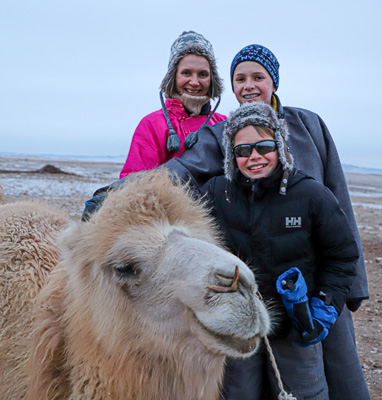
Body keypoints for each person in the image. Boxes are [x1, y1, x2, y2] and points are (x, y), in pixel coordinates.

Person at [82, 44, 370, 400]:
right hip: (252, 271)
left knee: (317, 375)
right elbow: (180, 170)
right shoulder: (226, 132)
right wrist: (114, 194)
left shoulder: (309, 125)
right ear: (231, 86)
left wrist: (347, 287)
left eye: (258, 77)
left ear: (273, 81)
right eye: (240, 79)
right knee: (243, 378)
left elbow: (337, 202)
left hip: (309, 279)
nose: (249, 85)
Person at [198, 101, 358, 400]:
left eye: (264, 146)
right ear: (232, 156)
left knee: (303, 394)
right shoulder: (217, 194)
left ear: (281, 145)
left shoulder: (311, 194)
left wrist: (324, 306)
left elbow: (342, 257)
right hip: (238, 328)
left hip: (296, 328)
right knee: (237, 394)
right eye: (243, 150)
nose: (254, 156)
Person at [119, 30, 226, 178]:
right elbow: (133, 183)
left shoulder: (224, 124)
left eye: (203, 74)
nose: (194, 82)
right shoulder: (152, 125)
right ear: (173, 76)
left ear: (212, 79)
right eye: (186, 73)